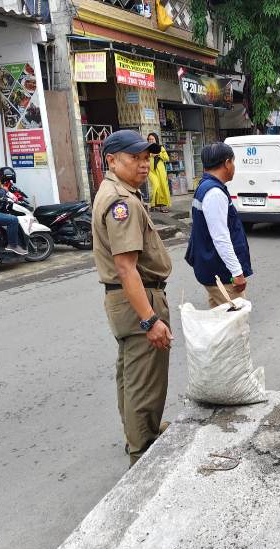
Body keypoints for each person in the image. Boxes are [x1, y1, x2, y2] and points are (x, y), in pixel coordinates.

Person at [91, 129, 173, 467]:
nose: (143, 164)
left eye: (145, 157)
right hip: (138, 300)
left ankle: (139, 433)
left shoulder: (116, 191)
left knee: (130, 375)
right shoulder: (121, 202)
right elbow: (127, 268)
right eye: (134, 158)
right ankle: (142, 454)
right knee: (144, 381)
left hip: (124, 301)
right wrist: (150, 319)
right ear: (111, 160)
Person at [185, 142, 253, 308]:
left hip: (212, 269)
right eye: (233, 162)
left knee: (219, 323)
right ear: (226, 163)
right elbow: (221, 237)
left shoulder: (205, 187)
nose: (234, 167)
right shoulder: (214, 193)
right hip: (222, 273)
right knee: (235, 323)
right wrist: (237, 272)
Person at [146, 133, 171, 212]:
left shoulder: (160, 148)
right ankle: (152, 204)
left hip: (160, 170)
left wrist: (158, 154)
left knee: (162, 187)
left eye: (152, 139)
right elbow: (143, 157)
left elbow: (167, 158)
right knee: (156, 185)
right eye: (149, 139)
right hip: (151, 170)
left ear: (156, 139)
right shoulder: (146, 148)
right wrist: (150, 155)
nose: (151, 140)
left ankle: (161, 206)